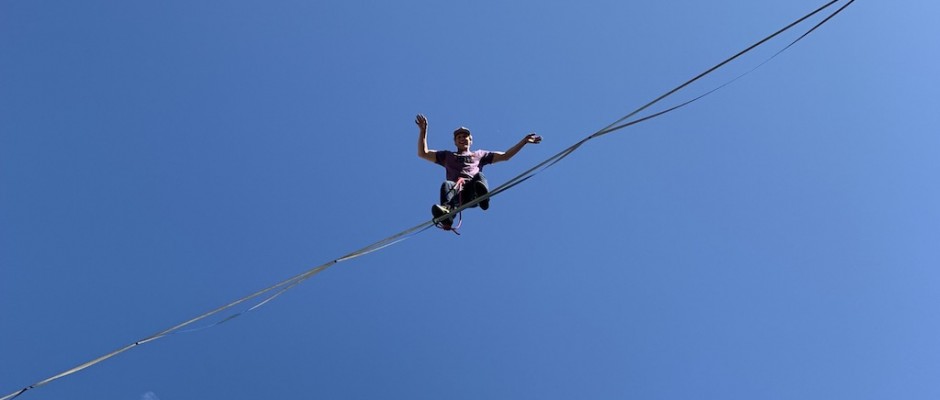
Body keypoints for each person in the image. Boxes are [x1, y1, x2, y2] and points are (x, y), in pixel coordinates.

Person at [415, 113, 541, 227]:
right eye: (459, 137)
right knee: (447, 184)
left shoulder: (479, 154)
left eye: (465, 136)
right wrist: (423, 131)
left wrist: (523, 142)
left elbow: (505, 156)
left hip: (473, 190)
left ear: (470, 140)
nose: (462, 138)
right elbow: (423, 153)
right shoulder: (447, 156)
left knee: (479, 176)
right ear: (455, 142)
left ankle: (482, 197)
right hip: (457, 194)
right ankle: (447, 214)